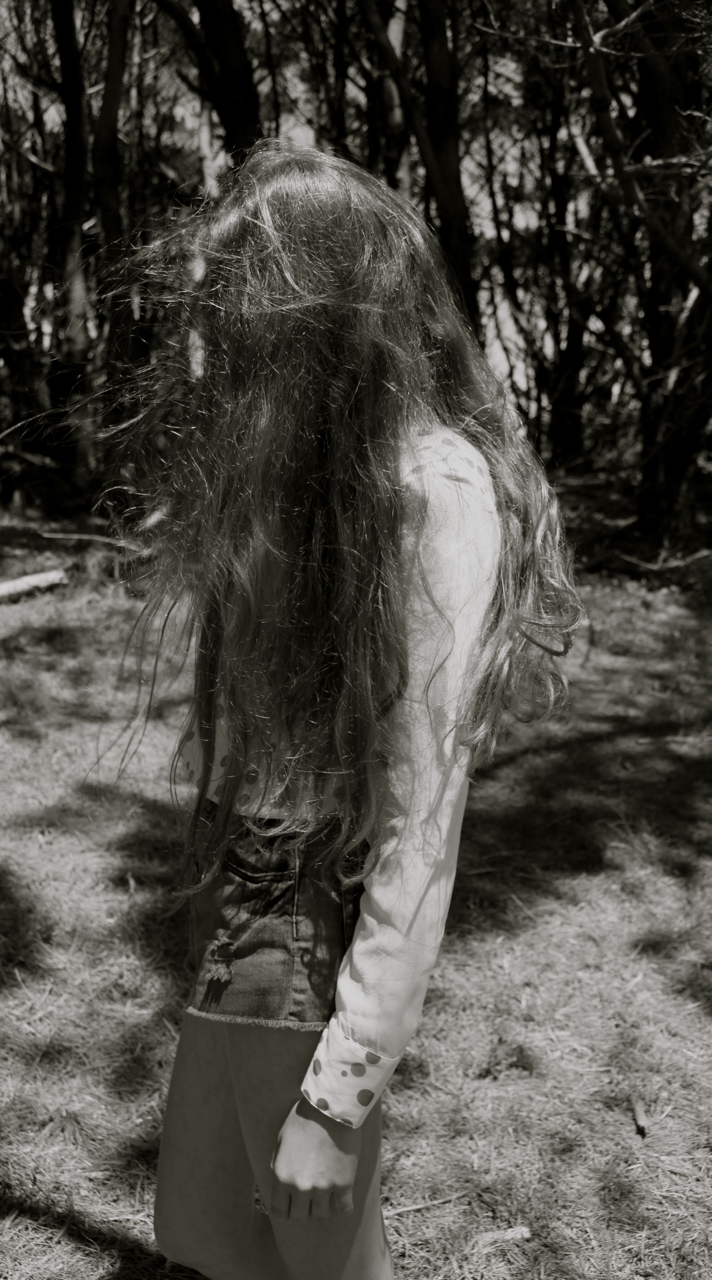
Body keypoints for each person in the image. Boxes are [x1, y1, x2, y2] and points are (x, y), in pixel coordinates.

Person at [114, 140, 581, 1280]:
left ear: (317, 315)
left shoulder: (432, 491)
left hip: (309, 919)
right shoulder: (305, 467)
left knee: (319, 1255)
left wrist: (338, 1091)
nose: (202, 340)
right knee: (206, 1234)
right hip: (243, 890)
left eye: (234, 308)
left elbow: (421, 820)